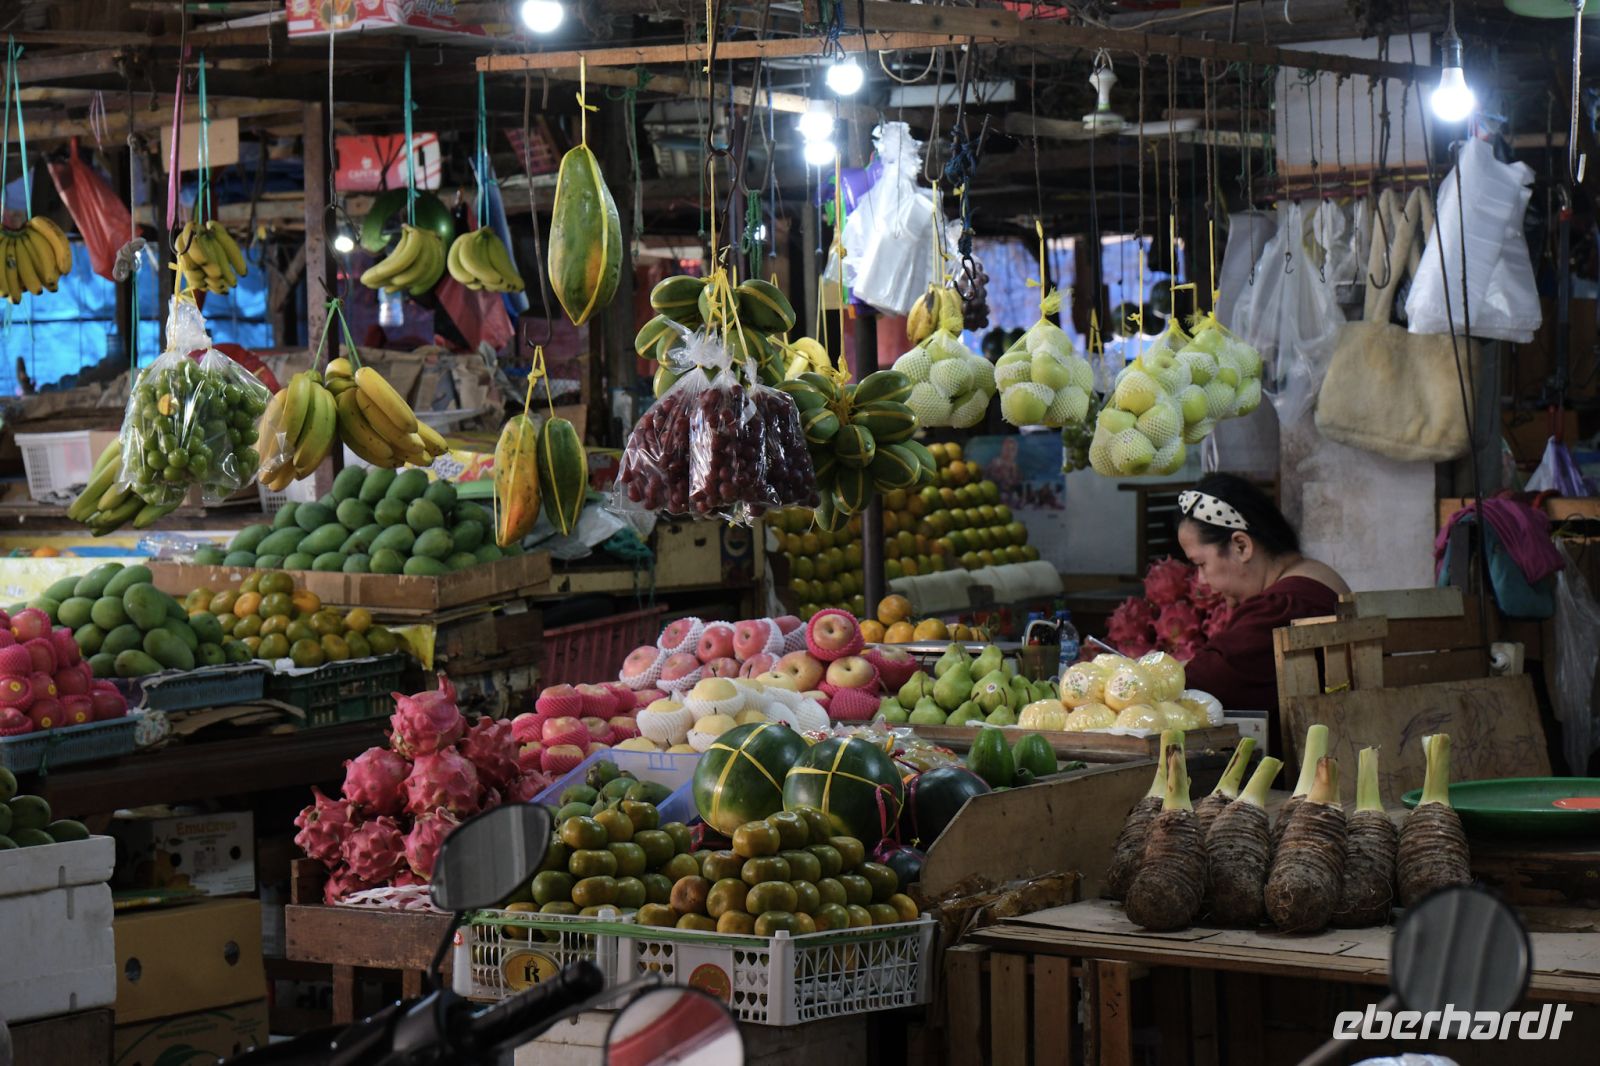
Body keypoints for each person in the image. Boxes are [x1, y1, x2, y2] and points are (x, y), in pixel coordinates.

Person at [1176, 474, 1351, 734]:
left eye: (1201, 564)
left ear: (1241, 546)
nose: (1201, 579)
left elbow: (1207, 682)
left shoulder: (1283, 607)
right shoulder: (1314, 576)